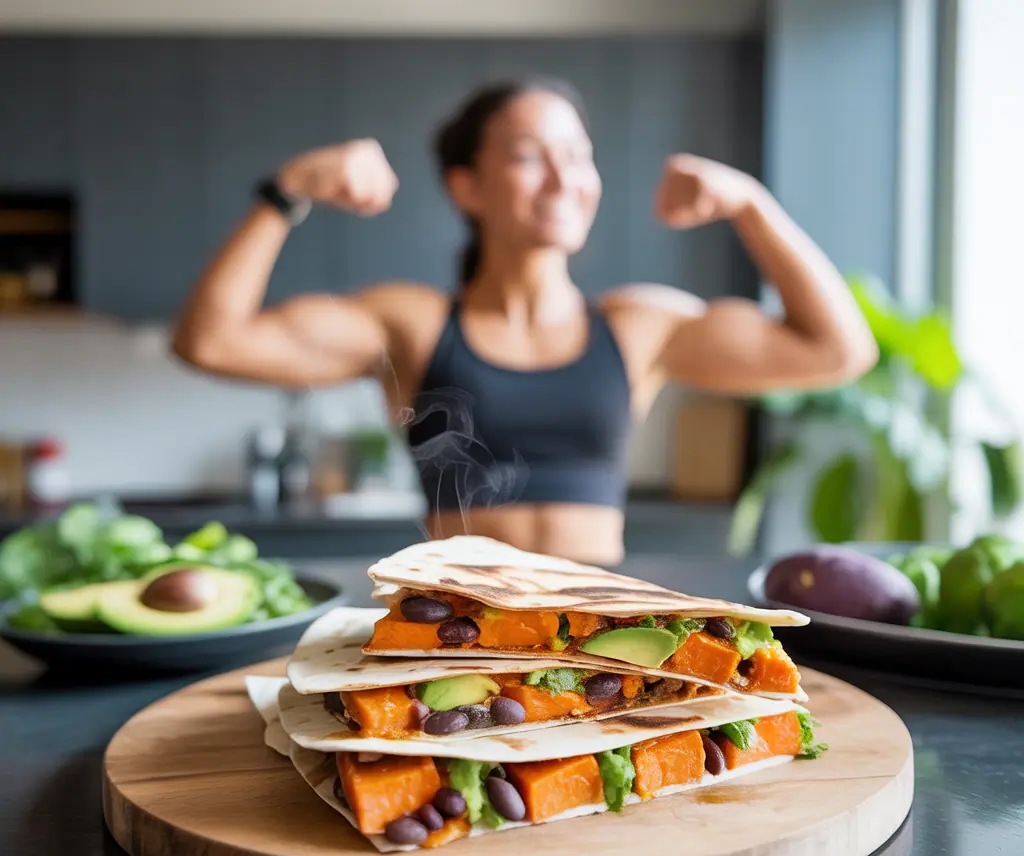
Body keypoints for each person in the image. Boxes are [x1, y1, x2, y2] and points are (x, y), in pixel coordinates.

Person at [172, 78, 877, 565]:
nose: (565, 177)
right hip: (456, 638)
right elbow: (211, 340)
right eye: (531, 156)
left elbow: (837, 351)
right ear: (467, 186)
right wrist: (287, 191)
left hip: (599, 636)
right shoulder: (411, 327)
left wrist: (750, 204)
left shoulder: (641, 328)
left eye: (578, 155)